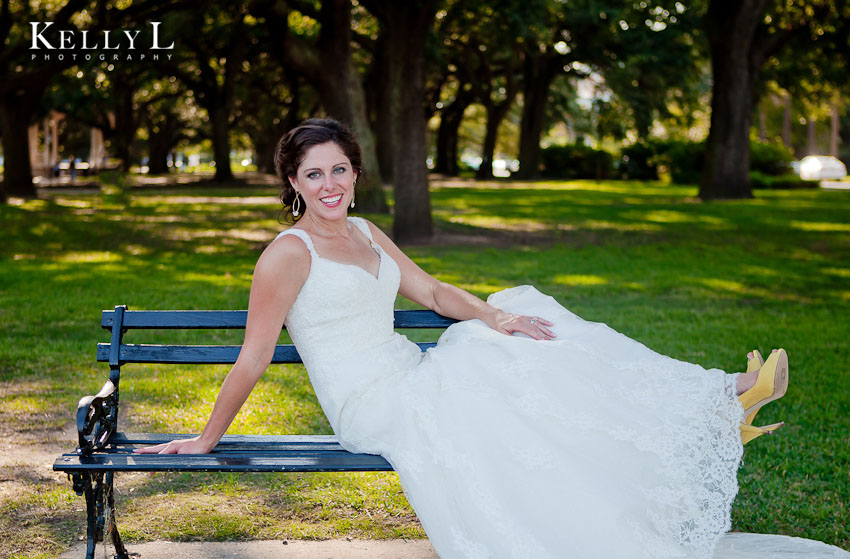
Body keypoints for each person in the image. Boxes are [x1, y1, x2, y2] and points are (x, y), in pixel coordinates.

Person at [136, 118, 808, 559]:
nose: (330, 184)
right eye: (314, 174)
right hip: (371, 403)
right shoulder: (287, 254)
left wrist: (490, 315)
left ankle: (708, 398)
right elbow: (254, 356)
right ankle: (713, 402)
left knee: (522, 322)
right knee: (501, 369)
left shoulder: (365, 232)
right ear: (292, 182)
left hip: (411, 370)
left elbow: (429, 291)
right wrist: (205, 437)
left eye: (339, 169)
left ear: (355, 172)